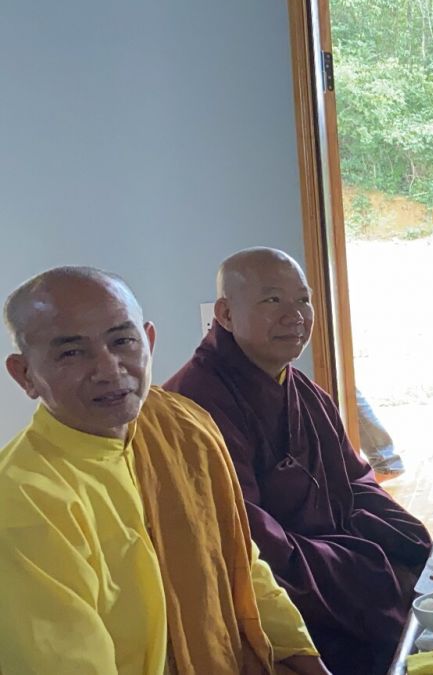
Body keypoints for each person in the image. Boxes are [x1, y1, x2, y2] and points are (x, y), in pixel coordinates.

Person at [0, 266, 328, 675]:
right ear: (25, 375)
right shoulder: (24, 501)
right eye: (71, 353)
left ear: (149, 342)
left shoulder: (183, 427)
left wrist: (303, 656)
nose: (109, 369)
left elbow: (240, 562)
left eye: (122, 341)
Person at [165, 248, 431, 675]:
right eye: (272, 299)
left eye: (303, 300)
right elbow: (244, 540)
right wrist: (365, 568)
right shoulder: (193, 407)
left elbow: (356, 481)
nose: (295, 316)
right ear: (226, 314)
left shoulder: (303, 390)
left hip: (327, 566)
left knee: (426, 567)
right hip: (277, 600)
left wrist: (415, 543)